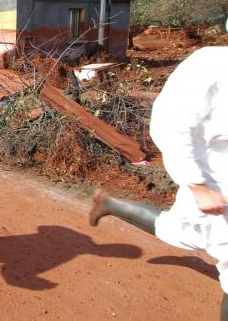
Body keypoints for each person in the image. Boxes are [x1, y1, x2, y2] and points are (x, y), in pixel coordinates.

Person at [89, 47, 228, 320]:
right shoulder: (211, 65)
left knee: (179, 229)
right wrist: (197, 185)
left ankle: (111, 204)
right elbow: (171, 124)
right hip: (214, 177)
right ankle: (112, 204)